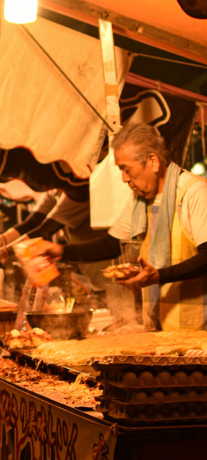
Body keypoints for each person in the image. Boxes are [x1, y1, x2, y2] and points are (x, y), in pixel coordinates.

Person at [42, 124, 207, 329]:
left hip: (198, 328)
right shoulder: (140, 200)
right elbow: (111, 244)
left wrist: (159, 275)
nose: (124, 178)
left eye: (126, 169)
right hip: (157, 324)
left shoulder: (195, 192)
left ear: (153, 161)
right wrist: (60, 251)